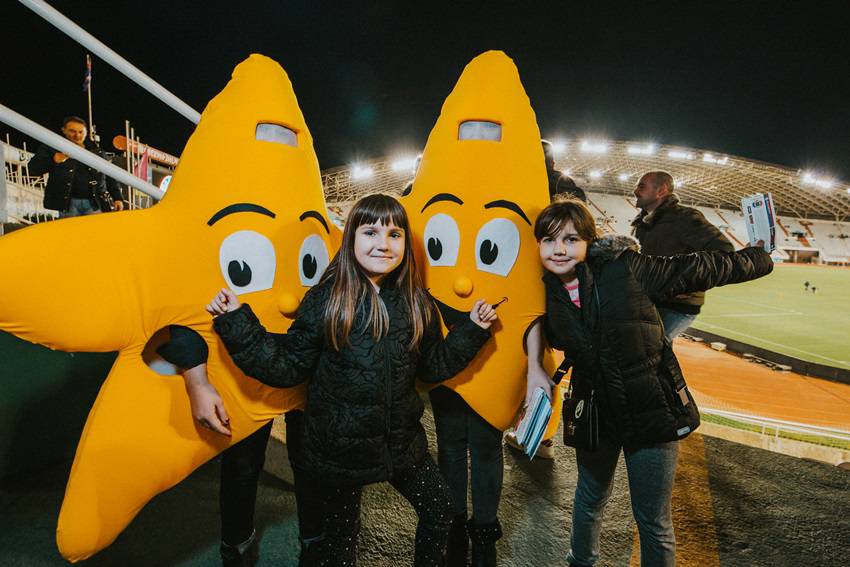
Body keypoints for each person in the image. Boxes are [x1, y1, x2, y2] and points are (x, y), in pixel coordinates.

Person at [210, 194, 498, 566]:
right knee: (343, 539)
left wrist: (472, 330)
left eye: (394, 234)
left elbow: (431, 366)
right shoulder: (327, 299)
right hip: (340, 451)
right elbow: (286, 367)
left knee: (440, 509)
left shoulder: (416, 301)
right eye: (371, 232)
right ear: (351, 239)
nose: (383, 243)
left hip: (401, 445)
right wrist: (236, 322)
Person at [527, 199, 772, 567]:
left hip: (651, 409)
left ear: (589, 241)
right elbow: (531, 326)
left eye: (570, 239)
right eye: (548, 240)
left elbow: (700, 268)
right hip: (596, 412)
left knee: (652, 520)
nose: (558, 249)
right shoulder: (546, 290)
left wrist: (758, 258)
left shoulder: (627, 268)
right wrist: (535, 366)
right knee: (589, 499)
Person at [154, 326, 319, 567]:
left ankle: (316, 544)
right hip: (243, 363)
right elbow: (181, 306)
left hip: (311, 356)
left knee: (312, 463)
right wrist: (196, 380)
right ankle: (237, 547)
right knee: (242, 464)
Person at [631, 171, 734, 340]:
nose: (635, 191)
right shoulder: (643, 222)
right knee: (643, 350)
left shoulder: (684, 218)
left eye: (642, 186)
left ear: (661, 190)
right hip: (650, 301)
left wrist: (684, 284)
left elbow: (724, 251)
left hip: (677, 306)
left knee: (652, 349)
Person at [27, 116, 124, 217]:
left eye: (81, 132)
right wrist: (53, 159)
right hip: (67, 204)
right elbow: (32, 169)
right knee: (70, 232)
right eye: (72, 131)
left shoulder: (97, 152)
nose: (77, 135)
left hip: (95, 203)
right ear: (63, 130)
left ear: (86, 132)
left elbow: (110, 175)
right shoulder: (53, 147)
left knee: (94, 232)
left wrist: (117, 197)